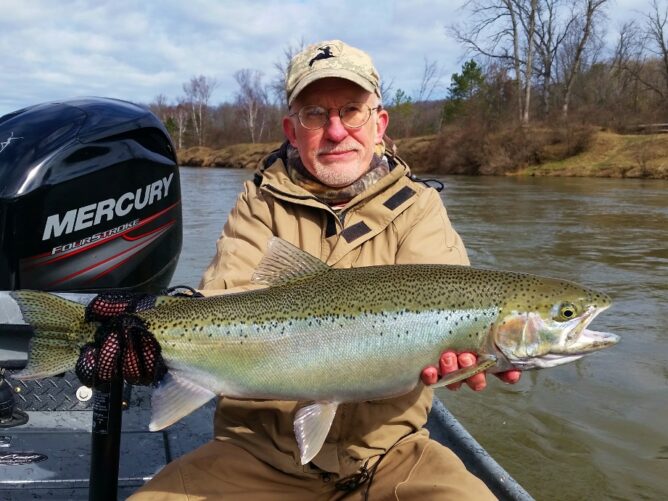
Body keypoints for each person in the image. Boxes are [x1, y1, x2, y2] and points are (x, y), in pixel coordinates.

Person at [130, 39, 520, 500]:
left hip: (392, 455)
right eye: (315, 114)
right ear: (292, 131)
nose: (336, 131)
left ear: (379, 124)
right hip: (256, 454)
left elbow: (452, 311)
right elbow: (221, 305)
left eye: (352, 110)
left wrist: (469, 359)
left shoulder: (420, 207)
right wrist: (144, 326)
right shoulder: (258, 204)